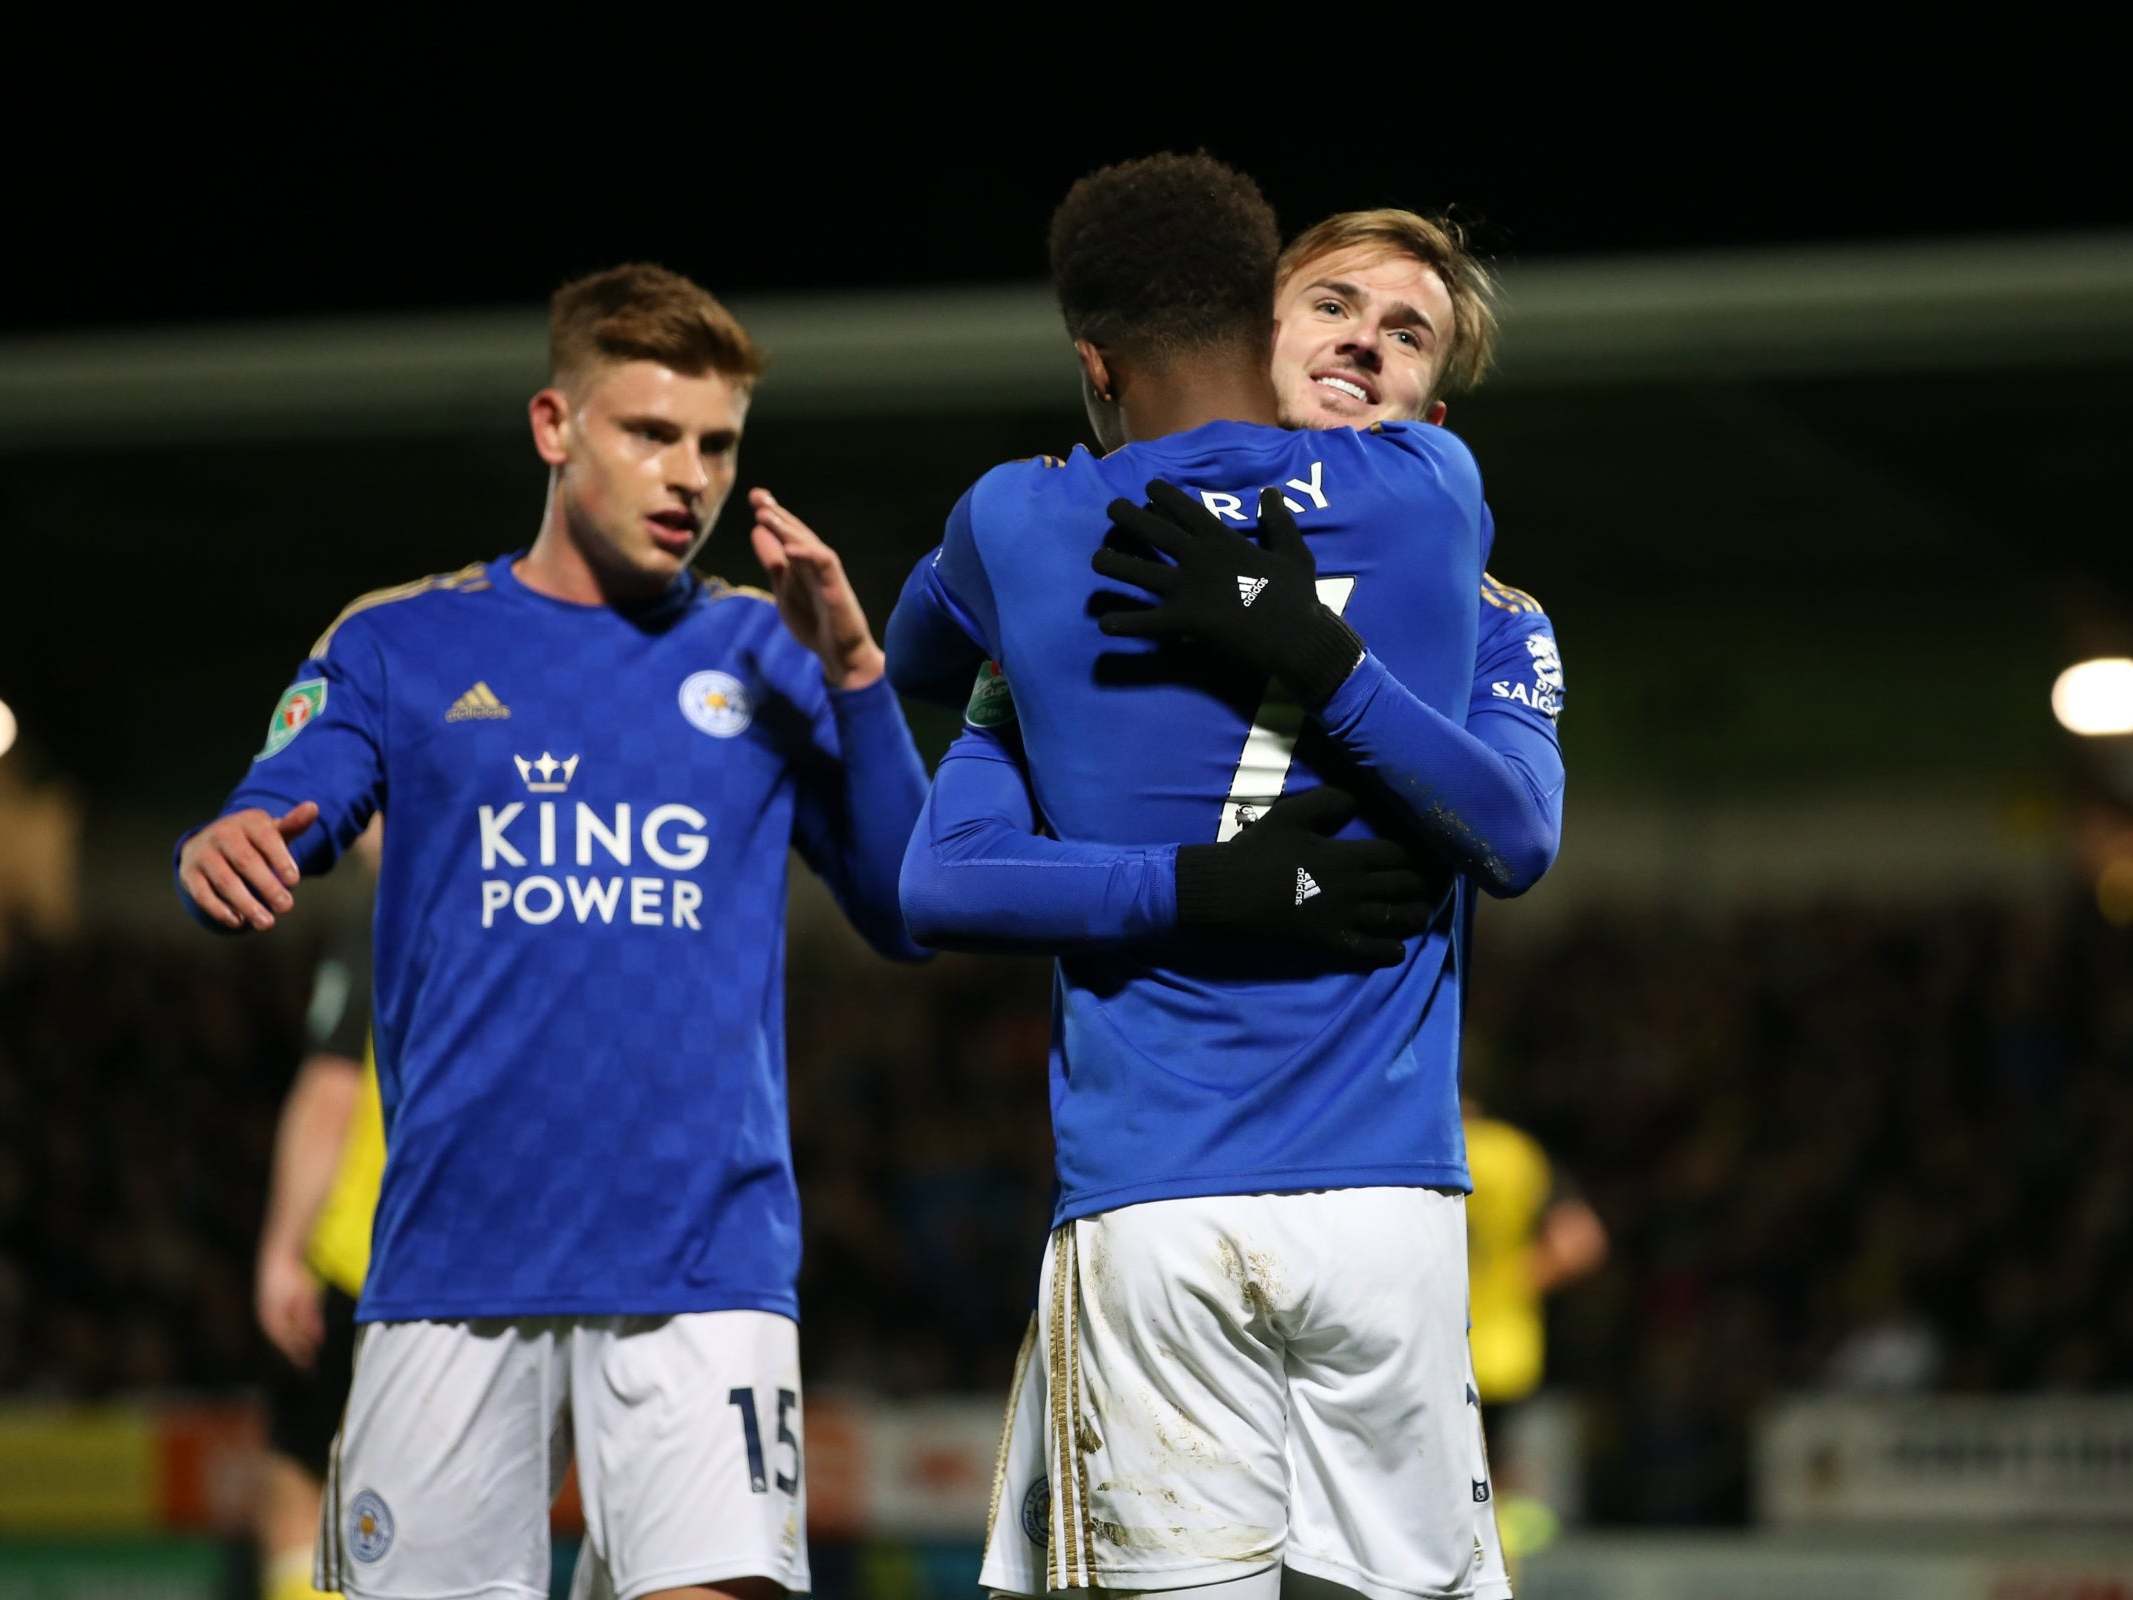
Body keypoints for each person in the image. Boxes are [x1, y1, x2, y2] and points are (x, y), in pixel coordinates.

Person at [176, 263, 927, 1600]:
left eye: (715, 444)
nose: (688, 474)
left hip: (705, 1261)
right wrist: (235, 838)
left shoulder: (768, 652)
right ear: (554, 425)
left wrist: (859, 680)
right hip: (454, 1264)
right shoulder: (401, 643)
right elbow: (287, 799)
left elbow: (907, 904)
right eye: (651, 433)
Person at [880, 153, 1506, 1600]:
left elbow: (925, 677)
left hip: (1159, 1196)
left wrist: (1043, 618)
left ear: (1095, 361)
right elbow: (1514, 840)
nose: (1358, 341)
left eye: (1398, 329)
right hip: (1390, 1205)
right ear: (1264, 314)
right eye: (1331, 305)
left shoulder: (1021, 521)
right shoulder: (1435, 494)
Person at [254, 818, 383, 1600]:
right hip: (476, 1265)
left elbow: (332, 1095)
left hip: (361, 1258)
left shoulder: (383, 910)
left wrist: (281, 1252)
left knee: (301, 1485)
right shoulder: (503, 910)